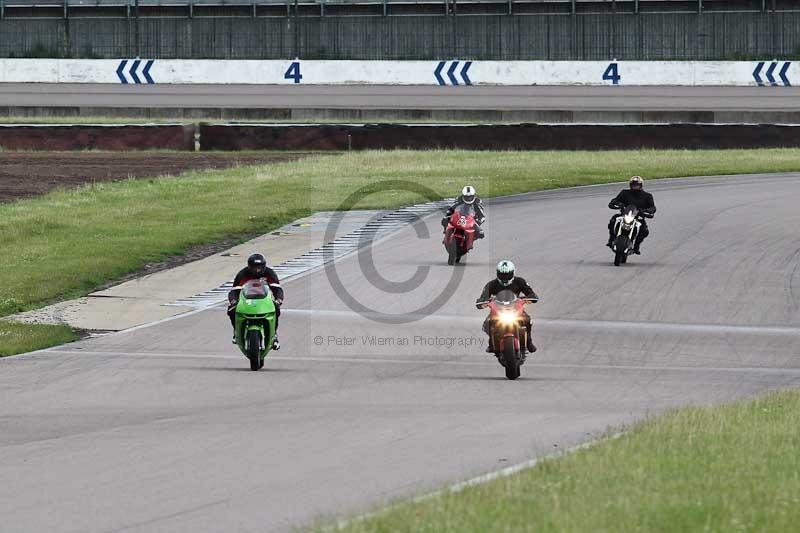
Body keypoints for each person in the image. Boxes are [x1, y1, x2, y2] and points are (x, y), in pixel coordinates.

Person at [476, 260, 539, 354]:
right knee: (487, 323)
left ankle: (529, 341)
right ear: (497, 273)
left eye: (507, 275)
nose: (505, 277)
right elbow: (483, 297)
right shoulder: (491, 284)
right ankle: (491, 343)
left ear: (513, 273)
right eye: (502, 275)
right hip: (498, 309)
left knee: (527, 320)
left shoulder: (520, 281)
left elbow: (530, 293)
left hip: (515, 307)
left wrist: (531, 297)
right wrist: (482, 303)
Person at [227, 253, 283, 349]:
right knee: (231, 310)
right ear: (249, 266)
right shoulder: (242, 274)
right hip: (247, 300)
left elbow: (277, 289)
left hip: (264, 300)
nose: (257, 270)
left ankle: (274, 335)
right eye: (254, 267)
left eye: (259, 267)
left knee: (276, 309)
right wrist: (233, 301)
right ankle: (236, 332)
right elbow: (234, 291)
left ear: (264, 266)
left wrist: (279, 300)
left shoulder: (270, 273)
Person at [606, 176, 656, 254]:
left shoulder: (647, 196)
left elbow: (652, 207)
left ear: (641, 185)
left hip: (638, 217)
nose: (635, 186)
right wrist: (617, 204)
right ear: (630, 185)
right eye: (633, 185)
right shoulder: (624, 193)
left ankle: (636, 246)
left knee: (644, 231)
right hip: (624, 215)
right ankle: (611, 239)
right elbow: (615, 200)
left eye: (637, 185)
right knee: (614, 220)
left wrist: (647, 211)